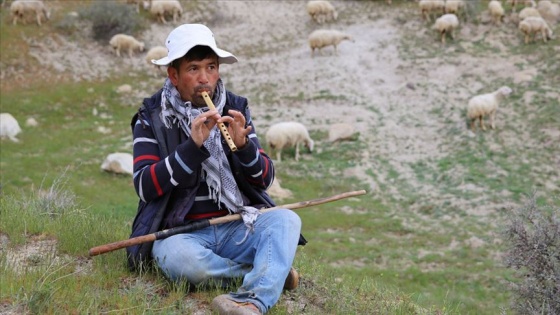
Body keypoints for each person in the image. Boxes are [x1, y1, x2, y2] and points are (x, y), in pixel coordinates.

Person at [128, 23, 304, 315]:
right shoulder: (152, 117)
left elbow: (265, 178)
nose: (204, 79)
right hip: (181, 234)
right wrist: (191, 148)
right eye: (193, 69)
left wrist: (245, 148)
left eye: (211, 67)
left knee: (285, 220)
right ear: (173, 75)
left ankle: (252, 302)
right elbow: (145, 186)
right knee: (181, 262)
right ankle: (266, 273)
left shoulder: (235, 107)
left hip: (238, 225)